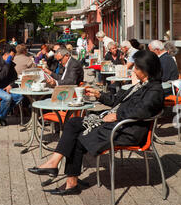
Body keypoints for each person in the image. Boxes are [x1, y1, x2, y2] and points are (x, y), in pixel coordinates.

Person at [28, 50, 164, 195]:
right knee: (73, 122)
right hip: (115, 123)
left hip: (126, 130)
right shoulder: (140, 85)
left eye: (137, 68)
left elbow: (143, 111)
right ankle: (54, 164)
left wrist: (117, 115)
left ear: (147, 69)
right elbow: (116, 100)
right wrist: (98, 94)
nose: (134, 70)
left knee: (77, 138)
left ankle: (69, 180)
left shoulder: (154, 90)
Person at [0, 44, 23, 126]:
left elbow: (15, 78)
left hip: (5, 88)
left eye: (13, 57)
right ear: (6, 54)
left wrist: (11, 85)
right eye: (11, 56)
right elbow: (0, 76)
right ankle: (0, 116)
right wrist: (7, 63)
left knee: (20, 96)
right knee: (8, 98)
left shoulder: (10, 65)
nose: (12, 59)